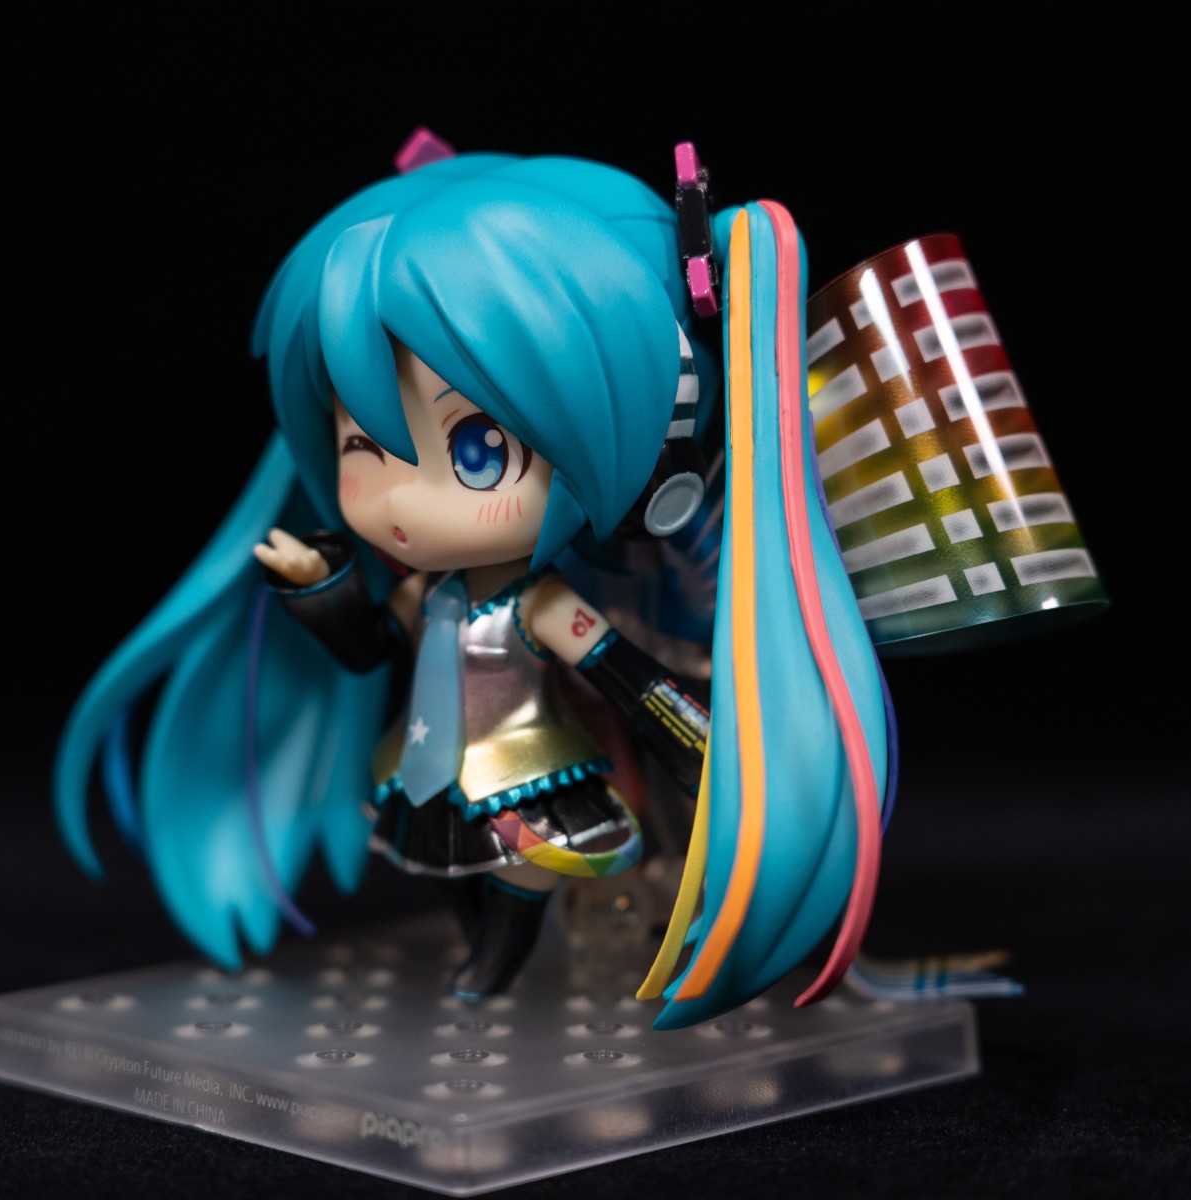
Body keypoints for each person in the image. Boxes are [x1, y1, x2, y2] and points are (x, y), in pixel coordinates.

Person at [54, 149, 893, 1030]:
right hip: (436, 765)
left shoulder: (540, 607)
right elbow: (371, 650)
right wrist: (322, 593)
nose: (405, 502)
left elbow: (623, 673)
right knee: (443, 858)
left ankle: (500, 954)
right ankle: (483, 946)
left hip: (530, 768)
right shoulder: (426, 592)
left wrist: (705, 747)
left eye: (475, 451)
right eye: (366, 446)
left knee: (527, 867)